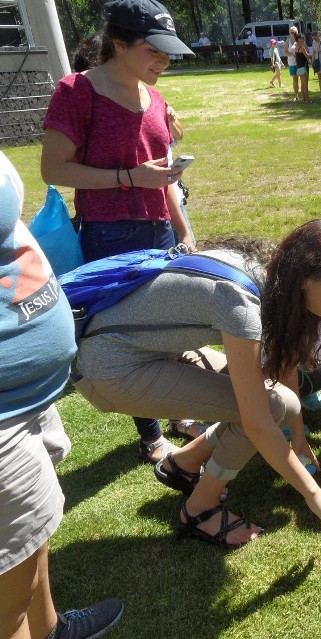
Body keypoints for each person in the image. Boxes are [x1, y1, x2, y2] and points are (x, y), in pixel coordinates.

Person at [70, 220, 321, 548]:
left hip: (145, 350)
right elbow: (258, 420)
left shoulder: (268, 274)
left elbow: (283, 370)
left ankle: (181, 466)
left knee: (281, 402)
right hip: (113, 370)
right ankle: (198, 511)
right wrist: (311, 491)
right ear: (306, 279)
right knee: (269, 408)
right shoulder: (242, 305)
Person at [40, 0, 197, 465]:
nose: (164, 62)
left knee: (169, 324)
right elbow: (53, 168)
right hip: (110, 234)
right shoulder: (76, 92)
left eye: (169, 52)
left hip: (162, 231)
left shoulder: (157, 99)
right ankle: (150, 435)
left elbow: (163, 176)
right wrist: (129, 177)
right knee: (129, 334)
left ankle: (176, 411)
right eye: (154, 51)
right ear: (119, 44)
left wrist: (184, 231)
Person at [0, 151, 125, 639]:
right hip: (4, 419)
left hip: (28, 398)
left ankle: (50, 629)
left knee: (32, 539)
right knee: (7, 607)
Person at [294, 34, 311, 102]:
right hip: (304, 66)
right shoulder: (302, 48)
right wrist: (311, 55)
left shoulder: (296, 47)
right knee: (305, 83)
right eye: (301, 38)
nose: (303, 40)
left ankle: (304, 98)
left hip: (299, 66)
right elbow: (307, 56)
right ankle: (307, 99)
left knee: (302, 83)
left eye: (303, 38)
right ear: (298, 39)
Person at [286, 26, 299, 101]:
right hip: (291, 62)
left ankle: (304, 94)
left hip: (300, 62)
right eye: (291, 32)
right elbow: (285, 51)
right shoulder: (288, 41)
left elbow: (305, 48)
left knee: (302, 78)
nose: (293, 34)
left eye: (294, 32)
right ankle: (296, 95)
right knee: (295, 78)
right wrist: (293, 55)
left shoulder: (299, 40)